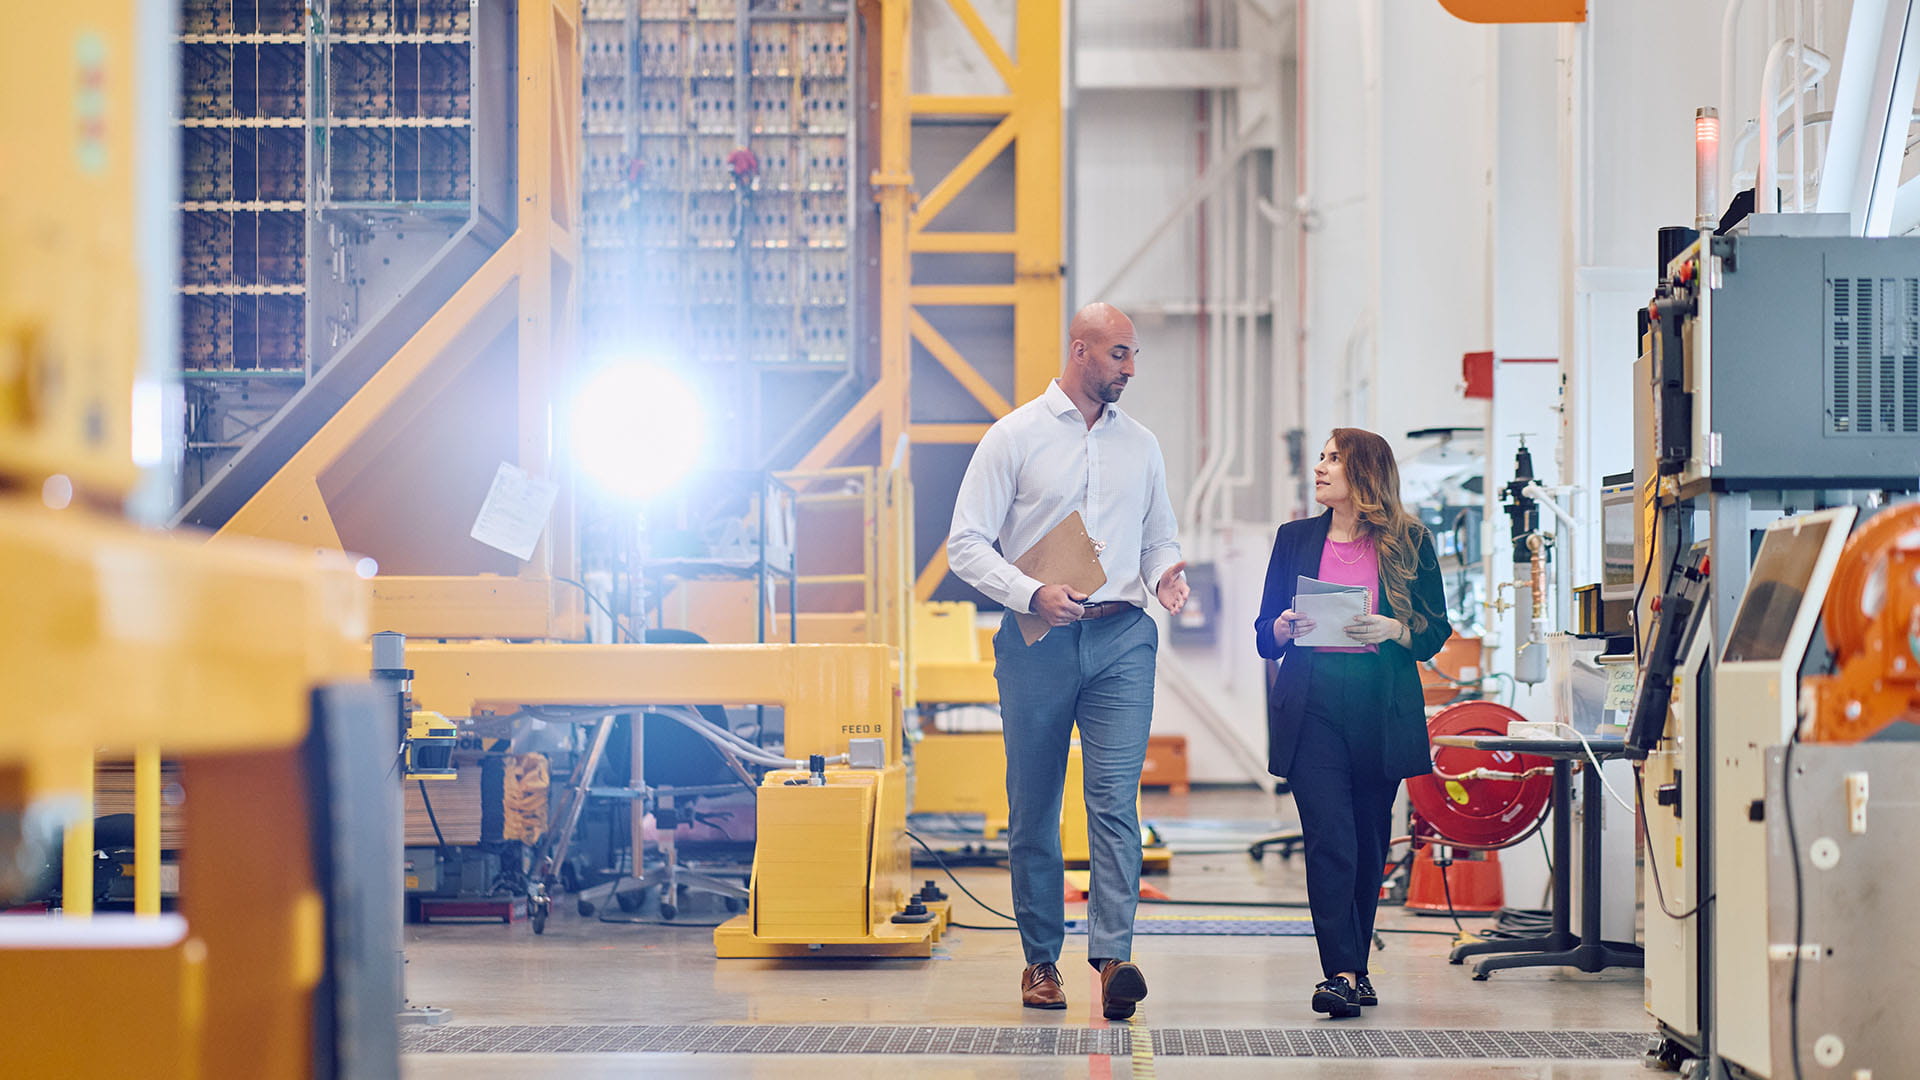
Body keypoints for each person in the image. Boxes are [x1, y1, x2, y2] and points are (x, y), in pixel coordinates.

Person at [948, 302, 1189, 1020]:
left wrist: (1167, 573)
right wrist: (1031, 592)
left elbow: (1157, 537)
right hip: (1038, 639)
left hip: (1123, 636)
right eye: (1119, 354)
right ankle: (1040, 962)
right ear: (1080, 349)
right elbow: (966, 544)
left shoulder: (1141, 445)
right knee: (1035, 807)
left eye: (1134, 354)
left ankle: (1114, 957)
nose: (1131, 369)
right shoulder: (1012, 437)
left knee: (1115, 804)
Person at [1252, 428, 1450, 1018]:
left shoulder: (1410, 541)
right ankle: (1338, 973)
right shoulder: (1294, 539)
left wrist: (1396, 630)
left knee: (1366, 843)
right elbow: (1264, 632)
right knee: (1330, 838)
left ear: (1363, 472)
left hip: (1378, 705)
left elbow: (1436, 630)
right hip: (1312, 705)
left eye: (1332, 459)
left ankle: (1355, 968)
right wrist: (1284, 628)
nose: (1320, 468)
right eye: (1320, 457)